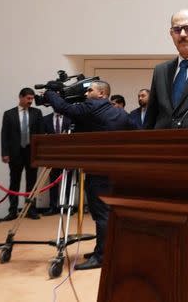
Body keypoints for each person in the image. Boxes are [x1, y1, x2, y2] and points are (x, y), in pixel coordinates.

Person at [44, 80, 132, 270]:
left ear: (101, 94)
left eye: (90, 90)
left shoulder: (94, 105)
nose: (86, 93)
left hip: (98, 169)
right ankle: (105, 249)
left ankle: (101, 257)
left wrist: (51, 92)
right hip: (115, 170)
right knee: (108, 212)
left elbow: (63, 108)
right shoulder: (121, 113)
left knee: (101, 214)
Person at [0, 87, 44, 221]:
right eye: (28, 98)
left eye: (32, 99)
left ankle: (31, 209)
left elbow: (40, 134)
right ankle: (12, 211)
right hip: (15, 153)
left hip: (31, 153)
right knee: (14, 182)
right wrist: (5, 153)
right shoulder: (9, 114)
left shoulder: (37, 113)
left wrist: (41, 153)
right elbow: (4, 135)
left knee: (32, 182)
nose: (31, 101)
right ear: (21, 97)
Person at [42, 111, 72, 216]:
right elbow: (42, 138)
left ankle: (67, 206)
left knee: (68, 182)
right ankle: (53, 207)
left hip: (68, 156)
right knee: (53, 183)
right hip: (52, 156)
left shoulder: (70, 118)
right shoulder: (45, 119)